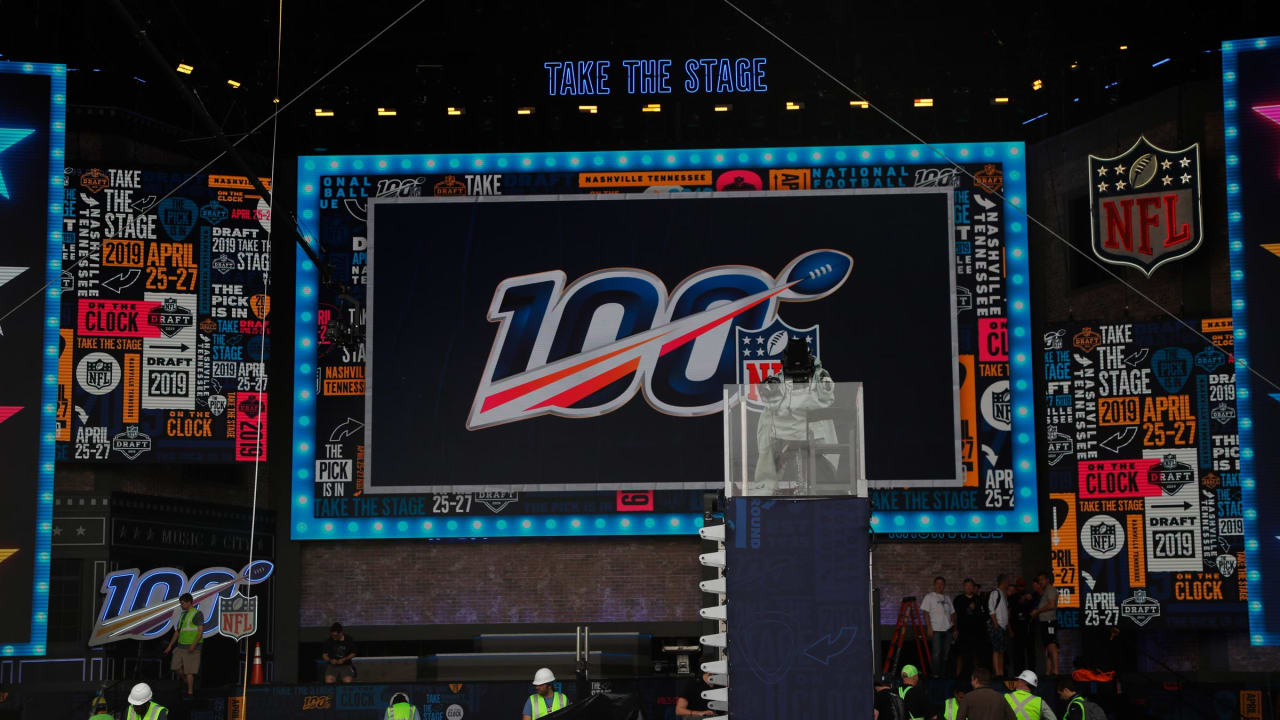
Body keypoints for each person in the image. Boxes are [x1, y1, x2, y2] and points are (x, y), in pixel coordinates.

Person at [162, 593, 202, 696]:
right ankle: (185, 680)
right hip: (181, 645)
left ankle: (190, 692)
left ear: (189, 602)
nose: (181, 605)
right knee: (175, 667)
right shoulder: (183, 614)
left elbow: (200, 631)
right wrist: (170, 646)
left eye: (182, 603)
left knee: (189, 671)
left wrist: (193, 645)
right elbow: (177, 631)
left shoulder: (197, 613)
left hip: (192, 646)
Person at [920, 577, 957, 677]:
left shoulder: (947, 598)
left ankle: (943, 674)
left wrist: (954, 629)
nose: (940, 585)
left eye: (942, 583)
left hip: (948, 630)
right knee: (936, 654)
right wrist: (929, 627)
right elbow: (925, 613)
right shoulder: (929, 596)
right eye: (938, 583)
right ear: (934, 585)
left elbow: (953, 614)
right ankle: (935, 674)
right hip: (936, 629)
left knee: (945, 654)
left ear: (944, 585)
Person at [954, 579, 988, 678]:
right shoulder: (959, 599)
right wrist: (955, 629)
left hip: (978, 633)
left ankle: (977, 677)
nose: (968, 587)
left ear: (973, 587)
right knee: (965, 656)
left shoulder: (979, 599)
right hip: (964, 633)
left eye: (970, 585)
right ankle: (965, 677)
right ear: (963, 587)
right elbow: (956, 615)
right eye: (966, 585)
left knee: (978, 656)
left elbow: (985, 614)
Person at [1030, 573, 1059, 676]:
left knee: (1052, 645)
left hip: (1049, 621)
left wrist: (1037, 611)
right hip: (1044, 622)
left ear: (1048, 580)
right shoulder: (1045, 591)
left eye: (1042, 579)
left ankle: (1055, 671)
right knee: (1047, 647)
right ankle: (1048, 671)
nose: (1040, 582)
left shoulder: (1050, 590)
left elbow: (1051, 605)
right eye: (1039, 580)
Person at [1009, 578, 1037, 676]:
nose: (1021, 588)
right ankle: (1018, 674)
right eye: (1020, 586)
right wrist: (1010, 629)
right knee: (1018, 653)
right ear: (1017, 587)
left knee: (1030, 653)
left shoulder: (1030, 597)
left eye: (1023, 586)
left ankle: (1031, 673)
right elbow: (1009, 614)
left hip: (1028, 628)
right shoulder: (1012, 598)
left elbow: (1034, 611)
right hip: (1017, 629)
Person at [988, 575, 1012, 678]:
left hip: (1003, 626)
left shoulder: (1003, 594)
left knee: (1001, 650)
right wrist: (995, 624)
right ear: (1004, 582)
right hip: (997, 625)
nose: (1009, 584)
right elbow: (991, 609)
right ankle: (997, 672)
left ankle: (1001, 672)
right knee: (996, 650)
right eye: (1008, 582)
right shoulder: (995, 593)